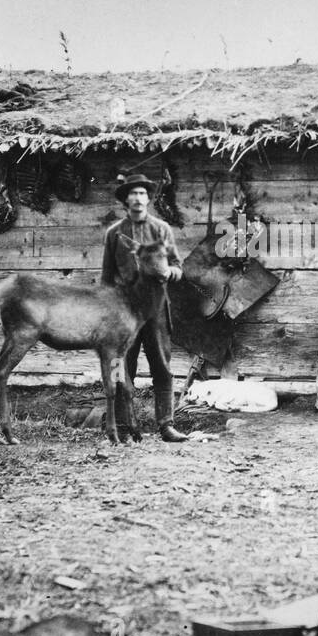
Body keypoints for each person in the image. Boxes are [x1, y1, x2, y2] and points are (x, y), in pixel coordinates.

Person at [101, 174, 189, 442]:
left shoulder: (161, 229)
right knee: (120, 366)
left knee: (162, 366)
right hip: (124, 313)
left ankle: (166, 425)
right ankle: (124, 426)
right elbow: (106, 278)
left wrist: (171, 273)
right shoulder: (114, 233)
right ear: (125, 200)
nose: (138, 199)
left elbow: (178, 266)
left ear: (149, 199)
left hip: (156, 311)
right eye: (133, 194)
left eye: (142, 194)